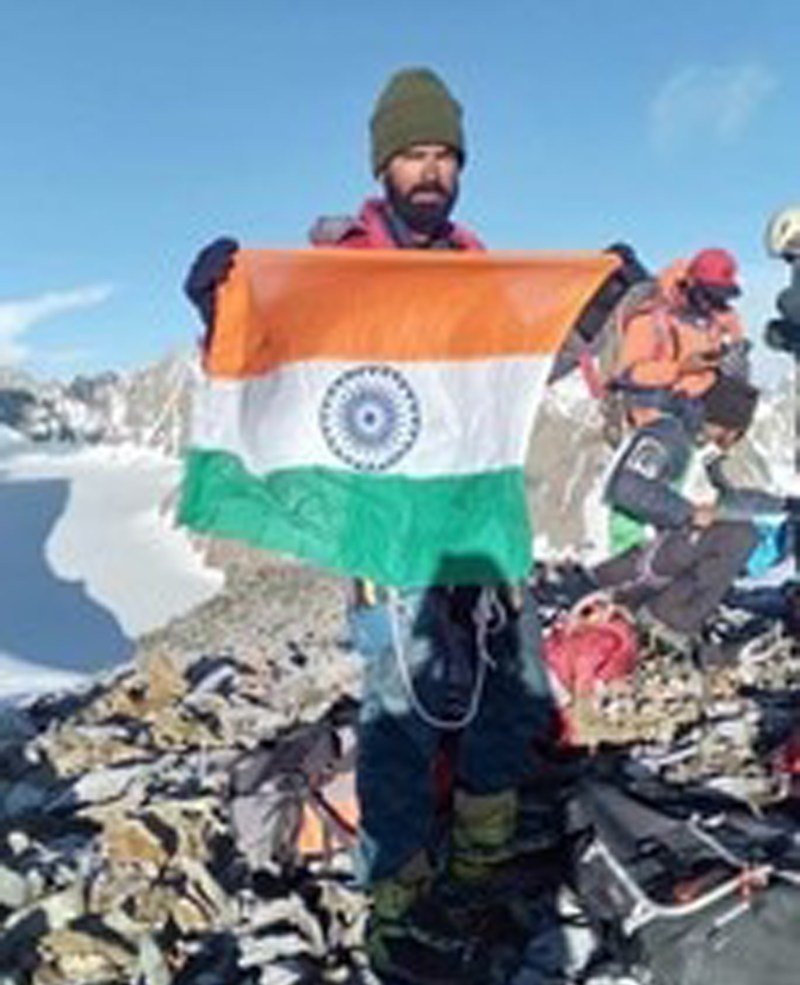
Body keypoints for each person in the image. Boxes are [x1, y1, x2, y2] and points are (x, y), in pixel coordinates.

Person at [183, 67, 556, 985]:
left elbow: (516, 380)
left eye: (444, 155)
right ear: (382, 165)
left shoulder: (478, 268)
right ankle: (398, 899)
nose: (430, 171)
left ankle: (478, 867)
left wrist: (590, 310)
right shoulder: (339, 266)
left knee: (511, 691)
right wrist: (216, 307)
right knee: (399, 713)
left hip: (474, 523)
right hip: (385, 537)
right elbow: (273, 366)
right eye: (412, 155)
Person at [590, 373, 793, 660]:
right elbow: (626, 486)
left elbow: (729, 501)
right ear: (731, 429)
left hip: (647, 559)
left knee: (732, 533)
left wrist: (785, 504)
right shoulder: (667, 436)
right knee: (738, 537)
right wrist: (686, 513)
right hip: (618, 560)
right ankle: (668, 621)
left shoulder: (694, 450)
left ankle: (668, 618)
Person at [610, 247, 750, 433]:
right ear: (690, 284)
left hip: (697, 409)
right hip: (658, 413)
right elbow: (629, 375)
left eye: (720, 297)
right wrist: (681, 368)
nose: (713, 303)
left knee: (741, 402)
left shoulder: (713, 321)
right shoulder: (649, 320)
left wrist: (733, 349)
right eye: (709, 295)